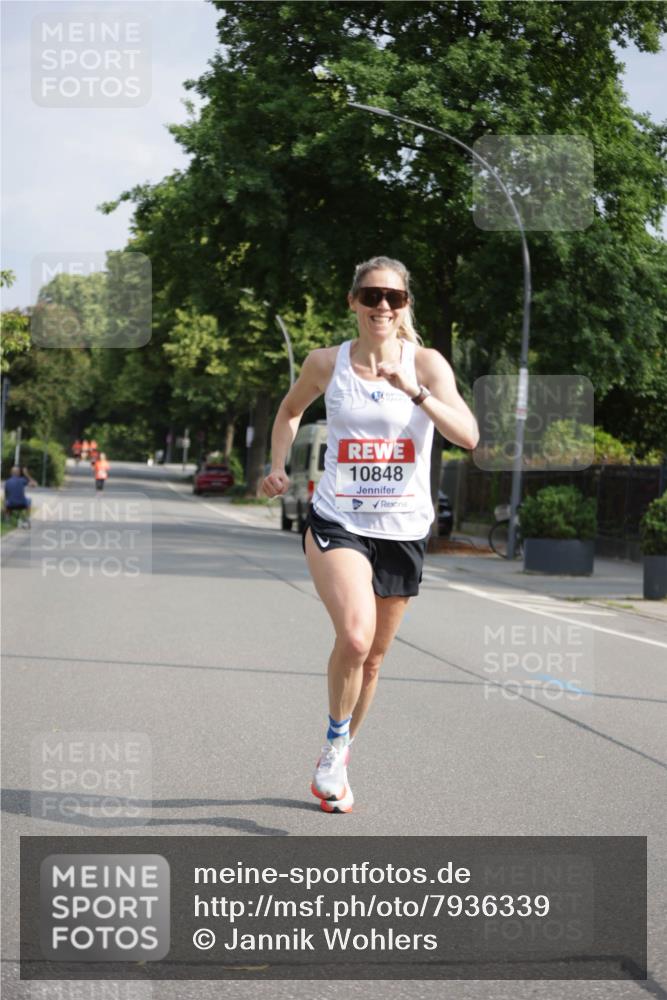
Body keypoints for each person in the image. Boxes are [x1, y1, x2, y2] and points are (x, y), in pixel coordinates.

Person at [262, 255, 479, 813]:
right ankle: (334, 749)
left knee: (375, 658)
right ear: (353, 301)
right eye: (372, 295)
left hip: (404, 528)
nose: (383, 305)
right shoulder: (325, 362)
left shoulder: (426, 364)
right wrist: (279, 464)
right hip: (339, 518)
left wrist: (415, 392)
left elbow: (470, 436)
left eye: (394, 298)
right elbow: (289, 410)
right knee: (355, 639)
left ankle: (341, 752)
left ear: (405, 305)